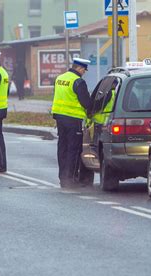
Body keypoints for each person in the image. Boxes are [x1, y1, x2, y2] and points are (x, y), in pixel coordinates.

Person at [51, 57, 91, 188]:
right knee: (73, 149)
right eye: (84, 70)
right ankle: (71, 178)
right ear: (79, 68)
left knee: (62, 147)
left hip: (60, 119)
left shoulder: (60, 78)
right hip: (73, 120)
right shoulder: (78, 82)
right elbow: (86, 102)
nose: (84, 72)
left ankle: (63, 177)